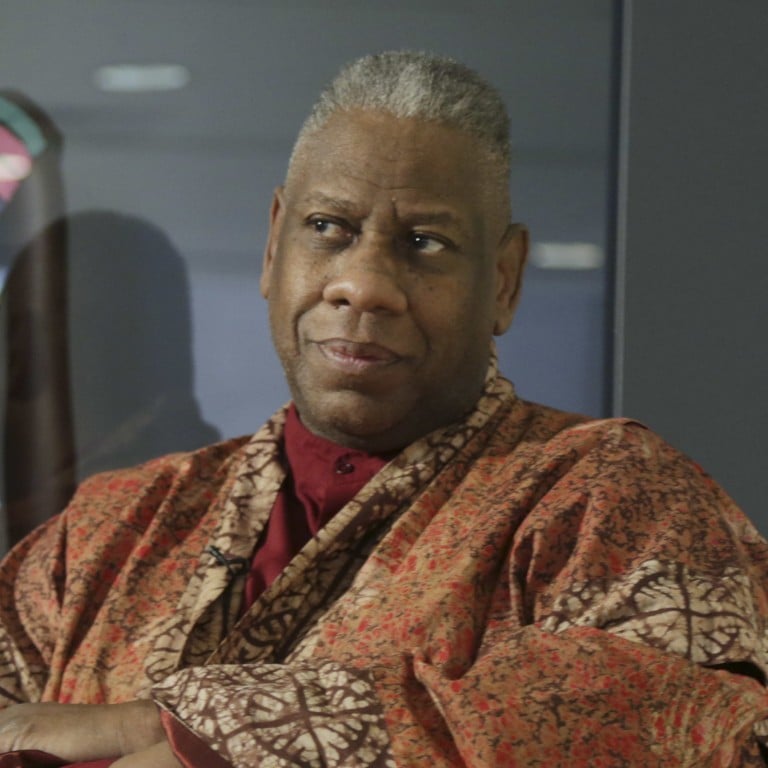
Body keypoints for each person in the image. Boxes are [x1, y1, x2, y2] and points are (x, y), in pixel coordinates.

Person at [0, 50, 766, 767]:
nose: (362, 285)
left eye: (425, 243)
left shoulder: (609, 492)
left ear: (502, 280)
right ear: (274, 249)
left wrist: (184, 728)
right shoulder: (113, 526)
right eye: (329, 228)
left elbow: (669, 706)